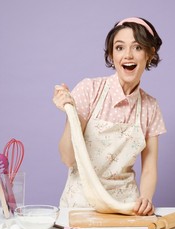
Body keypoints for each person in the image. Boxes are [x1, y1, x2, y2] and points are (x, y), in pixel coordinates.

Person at [53, 17, 166, 216]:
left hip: (126, 208)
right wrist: (71, 111)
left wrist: (145, 200)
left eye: (138, 47)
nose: (128, 55)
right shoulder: (89, 90)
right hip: (81, 205)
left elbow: (149, 169)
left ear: (150, 53)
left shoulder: (150, 107)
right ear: (112, 54)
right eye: (119, 47)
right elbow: (68, 158)